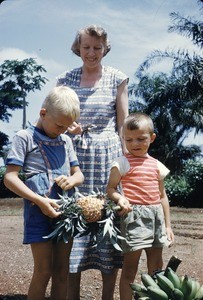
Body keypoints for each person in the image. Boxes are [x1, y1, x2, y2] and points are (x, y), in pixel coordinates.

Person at [56, 24, 129, 300]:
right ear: (78, 48)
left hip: (108, 156)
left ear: (105, 48)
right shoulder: (65, 78)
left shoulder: (117, 78)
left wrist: (125, 164)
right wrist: (68, 127)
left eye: (97, 47)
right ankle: (71, 296)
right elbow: (56, 116)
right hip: (75, 159)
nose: (91, 52)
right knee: (74, 226)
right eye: (86, 47)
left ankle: (107, 297)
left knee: (109, 228)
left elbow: (123, 124)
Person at [4, 86, 84, 300]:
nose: (62, 131)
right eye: (59, 125)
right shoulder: (24, 137)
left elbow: (79, 175)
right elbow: (10, 178)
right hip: (37, 211)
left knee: (61, 272)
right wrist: (39, 200)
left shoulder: (66, 141)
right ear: (43, 113)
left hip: (66, 214)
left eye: (67, 127)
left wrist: (71, 180)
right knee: (44, 271)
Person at [106, 112, 174, 300]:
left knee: (156, 267)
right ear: (123, 138)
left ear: (152, 138)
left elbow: (162, 196)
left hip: (156, 217)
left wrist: (167, 225)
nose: (135, 144)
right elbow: (110, 189)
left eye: (141, 139)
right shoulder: (121, 162)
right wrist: (120, 199)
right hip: (134, 216)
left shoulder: (157, 165)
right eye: (129, 139)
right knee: (130, 268)